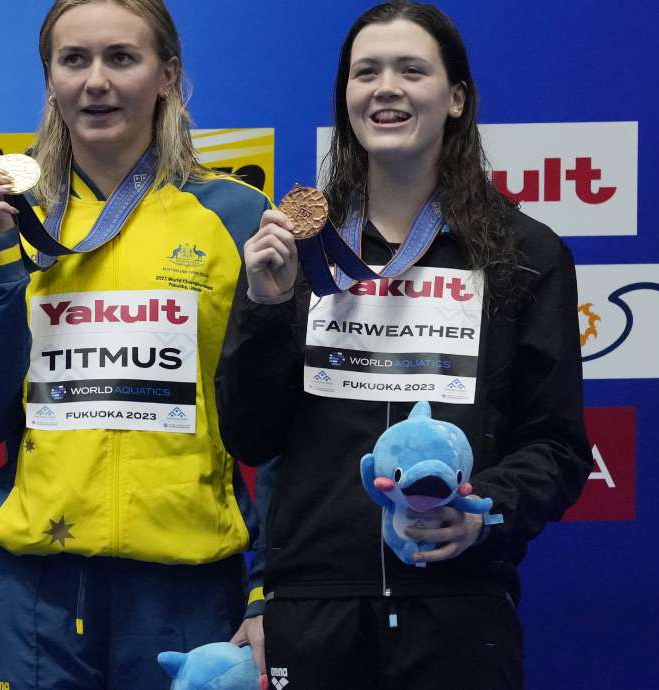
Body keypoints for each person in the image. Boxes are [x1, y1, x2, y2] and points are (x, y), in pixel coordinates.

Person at [216, 2, 592, 688]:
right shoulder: (299, 252)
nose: (385, 86)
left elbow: (559, 447)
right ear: (347, 100)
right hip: (315, 608)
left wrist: (483, 513)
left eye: (410, 70)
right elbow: (249, 436)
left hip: (460, 606)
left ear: (455, 98)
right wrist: (266, 307)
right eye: (366, 73)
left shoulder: (525, 255)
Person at [0, 0, 270, 686]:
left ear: (167, 74)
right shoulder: (4, 216)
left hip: (190, 587)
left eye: (122, 57)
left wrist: (269, 586)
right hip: (39, 594)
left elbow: (286, 422)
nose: (96, 81)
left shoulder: (234, 215)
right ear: (50, 79)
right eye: (74, 60)